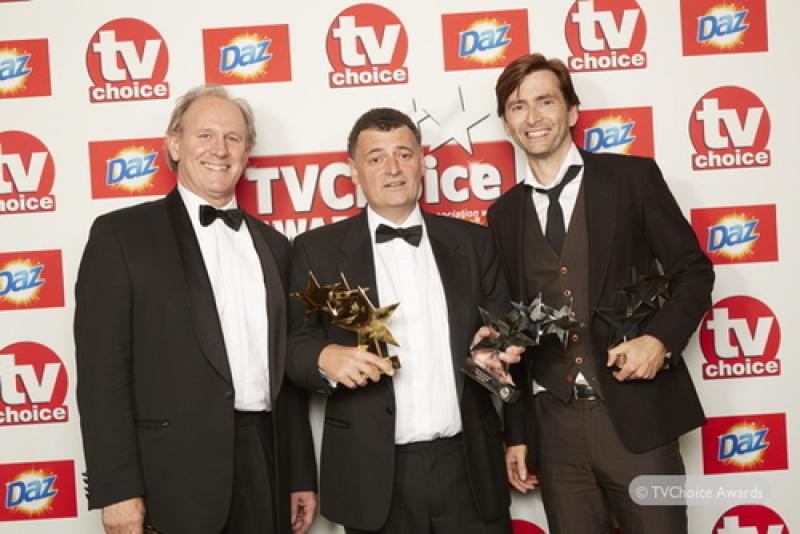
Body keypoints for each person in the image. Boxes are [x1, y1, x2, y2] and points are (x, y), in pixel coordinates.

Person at [75, 85, 317, 534]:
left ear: (247, 152)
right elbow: (101, 375)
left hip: (266, 460)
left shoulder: (276, 247)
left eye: (233, 138)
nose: (219, 150)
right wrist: (116, 489)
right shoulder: (122, 237)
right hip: (171, 475)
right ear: (174, 144)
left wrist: (299, 472)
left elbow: (286, 371)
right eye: (204, 135)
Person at [488, 53, 714, 534]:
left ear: (572, 110)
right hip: (555, 428)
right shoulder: (502, 215)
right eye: (517, 106)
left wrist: (660, 341)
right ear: (506, 122)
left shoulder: (632, 180)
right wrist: (519, 432)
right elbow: (515, 328)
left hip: (637, 416)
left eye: (545, 101)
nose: (532, 117)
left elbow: (693, 271)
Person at [287, 108, 519, 534]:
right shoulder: (315, 251)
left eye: (404, 155)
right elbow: (291, 343)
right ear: (353, 170)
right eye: (375, 158)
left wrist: (498, 347)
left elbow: (502, 329)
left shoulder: (474, 244)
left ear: (422, 162)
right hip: (370, 473)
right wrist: (323, 356)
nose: (392, 169)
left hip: (468, 467)